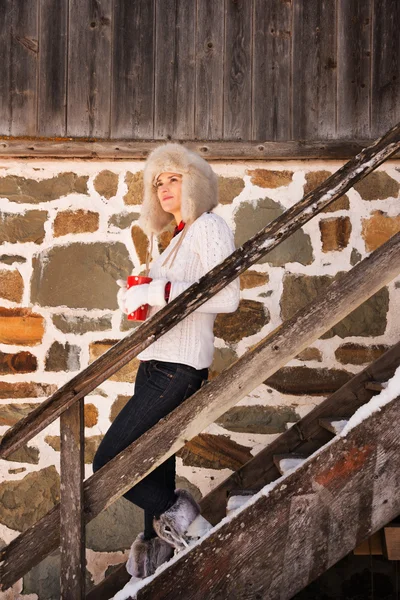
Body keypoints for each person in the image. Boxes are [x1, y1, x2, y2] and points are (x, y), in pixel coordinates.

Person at [92, 143, 240, 580]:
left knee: (110, 464)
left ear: (194, 181)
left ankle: (188, 521)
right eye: (158, 183)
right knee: (150, 461)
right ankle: (158, 554)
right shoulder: (174, 239)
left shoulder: (209, 227)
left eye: (173, 178)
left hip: (177, 368)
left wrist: (154, 292)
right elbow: (169, 301)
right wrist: (136, 294)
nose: (164, 188)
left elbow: (227, 295)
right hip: (154, 365)